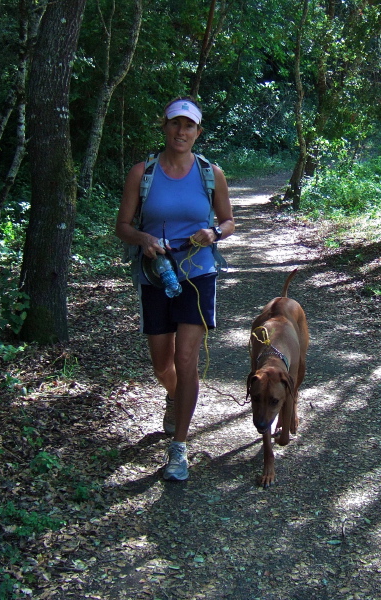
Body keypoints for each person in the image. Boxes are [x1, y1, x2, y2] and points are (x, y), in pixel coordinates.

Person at [115, 97, 235, 481]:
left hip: (199, 274)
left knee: (186, 360)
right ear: (164, 128)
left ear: (198, 132)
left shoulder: (210, 173)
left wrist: (213, 232)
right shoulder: (143, 172)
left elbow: (229, 221)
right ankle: (173, 396)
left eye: (189, 126)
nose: (181, 132)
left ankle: (179, 448)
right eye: (175, 124)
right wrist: (144, 238)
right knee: (161, 364)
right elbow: (122, 227)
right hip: (156, 273)